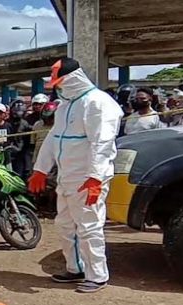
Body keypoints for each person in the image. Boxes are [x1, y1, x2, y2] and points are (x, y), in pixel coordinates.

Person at [28, 57, 123, 293]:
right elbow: (53, 138)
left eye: (59, 82)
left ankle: (97, 275)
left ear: (71, 79)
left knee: (89, 226)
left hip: (87, 178)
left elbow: (102, 143)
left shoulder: (98, 104)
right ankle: (75, 268)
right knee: (65, 225)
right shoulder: (64, 106)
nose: (57, 87)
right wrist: (41, 168)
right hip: (67, 178)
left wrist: (95, 178)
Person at [8, 100, 33, 179]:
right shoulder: (7, 123)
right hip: (10, 152)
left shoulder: (25, 123)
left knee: (26, 172)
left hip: (23, 152)